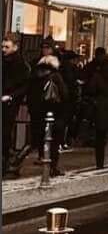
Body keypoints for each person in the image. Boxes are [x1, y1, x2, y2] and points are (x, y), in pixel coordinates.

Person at [27, 50, 68, 175]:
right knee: (54, 142)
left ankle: (18, 160)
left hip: (38, 114)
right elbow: (64, 95)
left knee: (38, 140)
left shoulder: (34, 76)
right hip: (54, 114)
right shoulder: (55, 77)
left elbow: (30, 95)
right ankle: (52, 168)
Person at [2, 36, 31, 176]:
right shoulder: (4, 61)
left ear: (15, 47)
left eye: (6, 47)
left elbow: (25, 86)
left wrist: (11, 96)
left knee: (5, 132)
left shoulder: (20, 64)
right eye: (2, 47)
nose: (3, 50)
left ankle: (5, 162)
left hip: (9, 103)